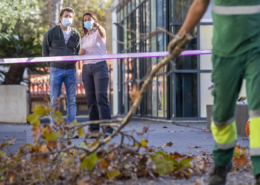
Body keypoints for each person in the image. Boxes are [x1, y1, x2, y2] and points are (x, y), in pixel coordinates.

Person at [168, 0, 260, 184]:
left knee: (258, 111)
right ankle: (222, 163)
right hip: (224, 53)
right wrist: (181, 35)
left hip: (256, 50)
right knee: (221, 115)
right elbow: (200, 3)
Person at [42, 7, 81, 138]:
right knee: (54, 101)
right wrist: (51, 65)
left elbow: (77, 51)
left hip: (70, 71)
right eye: (66, 16)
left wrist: (71, 64)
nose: (68, 18)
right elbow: (45, 50)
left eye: (70, 16)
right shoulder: (51, 33)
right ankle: (54, 129)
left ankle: (70, 130)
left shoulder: (76, 35)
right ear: (60, 17)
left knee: (72, 100)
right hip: (55, 70)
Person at [79, 12, 113, 138]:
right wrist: (80, 52)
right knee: (91, 100)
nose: (87, 21)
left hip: (100, 67)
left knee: (101, 98)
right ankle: (93, 131)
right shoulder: (83, 38)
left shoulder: (99, 33)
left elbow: (103, 32)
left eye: (89, 19)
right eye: (85, 20)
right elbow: (82, 52)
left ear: (94, 20)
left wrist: (97, 25)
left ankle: (107, 130)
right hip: (87, 68)